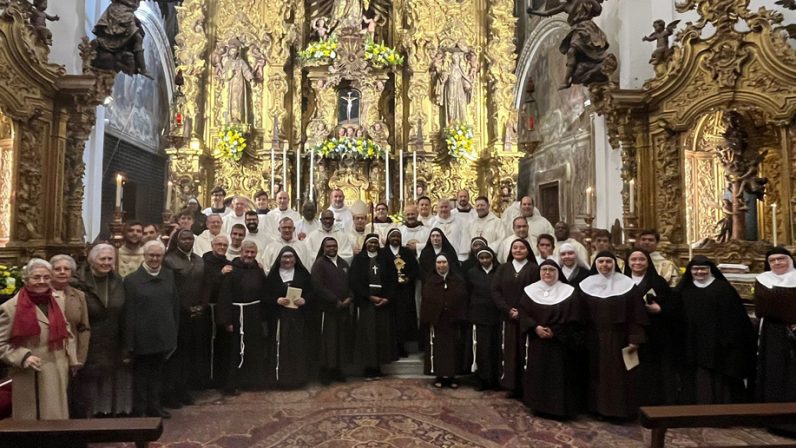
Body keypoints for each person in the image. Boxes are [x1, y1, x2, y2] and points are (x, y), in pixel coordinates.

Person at [0, 259, 74, 420]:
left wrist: (72, 359)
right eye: (36, 277)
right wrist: (23, 356)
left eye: (46, 277)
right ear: (26, 280)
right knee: (31, 424)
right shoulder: (10, 308)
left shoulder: (57, 301)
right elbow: (1, 344)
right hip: (30, 373)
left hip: (57, 369)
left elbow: (68, 333)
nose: (42, 282)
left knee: (57, 421)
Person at [677, 255, 756, 404]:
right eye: (695, 269)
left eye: (703, 269)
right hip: (692, 342)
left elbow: (736, 316)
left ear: (710, 270)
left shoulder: (723, 288)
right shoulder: (684, 290)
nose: (699, 272)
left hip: (720, 342)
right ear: (690, 271)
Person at [579, 251, 647, 419]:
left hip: (619, 339)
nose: (604, 265)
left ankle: (617, 411)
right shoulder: (585, 285)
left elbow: (636, 315)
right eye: (600, 261)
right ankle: (596, 409)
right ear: (595, 264)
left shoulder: (628, 285)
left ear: (615, 264)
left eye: (608, 262)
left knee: (618, 376)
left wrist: (635, 338)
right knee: (596, 374)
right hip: (593, 338)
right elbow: (580, 315)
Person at [72, 243, 132, 417]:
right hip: (88, 338)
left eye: (110, 259)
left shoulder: (118, 280)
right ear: (92, 260)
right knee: (87, 382)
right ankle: (87, 417)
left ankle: (106, 414)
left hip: (112, 336)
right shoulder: (79, 282)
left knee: (109, 378)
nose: (106, 262)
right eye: (102, 259)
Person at [520, 259, 583, 418]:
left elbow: (574, 318)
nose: (547, 273)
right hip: (537, 340)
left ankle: (558, 408)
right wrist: (535, 327)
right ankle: (538, 406)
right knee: (538, 373)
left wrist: (555, 331)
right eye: (544, 270)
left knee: (558, 375)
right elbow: (523, 313)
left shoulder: (569, 291)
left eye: (551, 270)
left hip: (560, 343)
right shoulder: (530, 290)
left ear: (558, 273)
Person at [123, 241, 179, 418]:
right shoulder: (131, 280)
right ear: (144, 256)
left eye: (158, 256)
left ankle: (155, 407)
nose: (155, 259)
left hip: (163, 335)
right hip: (142, 337)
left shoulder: (169, 276)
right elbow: (128, 313)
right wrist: (129, 343)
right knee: (140, 376)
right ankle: (140, 409)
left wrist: (173, 333)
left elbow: (174, 306)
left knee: (157, 375)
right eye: (151, 255)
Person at [624, 249, 682, 405]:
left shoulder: (658, 282)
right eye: (633, 259)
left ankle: (653, 402)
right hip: (628, 332)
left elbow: (672, 305)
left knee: (652, 369)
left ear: (648, 262)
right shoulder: (621, 281)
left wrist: (660, 309)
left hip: (654, 333)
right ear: (628, 262)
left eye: (641, 259)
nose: (637, 263)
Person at [163, 229, 208, 406]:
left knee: (191, 354)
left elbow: (206, 285)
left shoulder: (199, 259)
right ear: (177, 240)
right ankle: (171, 392)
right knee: (176, 355)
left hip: (197, 314)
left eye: (190, 238)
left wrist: (202, 306)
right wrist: (185, 308)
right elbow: (171, 289)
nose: (188, 241)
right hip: (178, 314)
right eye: (184, 239)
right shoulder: (169, 260)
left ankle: (185, 390)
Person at [754, 247, 796, 437]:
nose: (778, 263)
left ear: (790, 260)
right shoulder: (764, 279)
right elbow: (760, 308)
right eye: (773, 260)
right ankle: (775, 420)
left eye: (781, 259)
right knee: (775, 372)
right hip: (773, 333)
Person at [217, 241, 268, 393]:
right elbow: (225, 296)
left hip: (254, 314)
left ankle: (252, 381)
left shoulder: (258, 270)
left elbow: (263, 293)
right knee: (235, 350)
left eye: (253, 252)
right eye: (247, 252)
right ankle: (233, 384)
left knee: (254, 349)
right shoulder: (232, 270)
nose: (249, 255)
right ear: (241, 252)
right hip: (236, 315)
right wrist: (227, 320)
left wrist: (263, 317)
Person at [492, 239, 539, 396]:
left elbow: (536, 291)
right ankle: (510, 385)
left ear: (528, 250)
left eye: (522, 248)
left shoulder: (534, 269)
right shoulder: (503, 268)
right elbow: (495, 290)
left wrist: (521, 311)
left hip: (526, 317)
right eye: (515, 248)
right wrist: (507, 309)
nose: (518, 250)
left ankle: (525, 386)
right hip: (507, 318)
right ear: (511, 251)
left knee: (524, 350)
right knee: (508, 351)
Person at [264, 246, 314, 388]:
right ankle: (280, 379)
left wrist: (305, 300)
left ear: (295, 259)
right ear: (279, 259)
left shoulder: (303, 274)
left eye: (290, 257)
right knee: (280, 347)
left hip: (298, 319)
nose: (287, 260)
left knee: (298, 348)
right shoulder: (273, 276)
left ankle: (298, 379)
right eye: (284, 257)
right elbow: (265, 295)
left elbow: (311, 292)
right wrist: (276, 300)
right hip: (279, 318)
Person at [350, 234, 398, 379]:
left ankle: (377, 367)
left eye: (375, 242)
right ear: (365, 244)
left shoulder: (386, 259)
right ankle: (367, 368)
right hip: (366, 304)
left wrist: (387, 298)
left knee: (380, 336)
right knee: (367, 335)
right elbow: (354, 281)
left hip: (382, 304)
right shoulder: (359, 260)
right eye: (370, 242)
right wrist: (369, 296)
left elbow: (392, 280)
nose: (372, 245)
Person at [420, 253, 468, 388]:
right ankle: (439, 376)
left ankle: (452, 377)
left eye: (444, 263)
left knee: (453, 350)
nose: (441, 266)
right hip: (437, 321)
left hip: (453, 321)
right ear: (435, 265)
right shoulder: (430, 281)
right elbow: (426, 301)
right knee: (438, 349)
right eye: (439, 263)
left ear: (449, 264)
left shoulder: (457, 280)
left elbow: (462, 298)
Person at [50, 255, 90, 415]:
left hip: (72, 357)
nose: (62, 272)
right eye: (57, 269)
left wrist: (80, 357)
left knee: (73, 400)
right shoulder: (41, 295)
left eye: (66, 269)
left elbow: (84, 327)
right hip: (51, 356)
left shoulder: (78, 295)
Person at [311, 237, 354, 384]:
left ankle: (338, 370)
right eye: (328, 246)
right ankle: (325, 372)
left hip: (343, 309)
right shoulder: (319, 264)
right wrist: (334, 300)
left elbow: (350, 283)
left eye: (334, 246)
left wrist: (350, 297)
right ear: (323, 248)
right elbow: (318, 286)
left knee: (340, 341)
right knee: (327, 342)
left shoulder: (343, 263)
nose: (332, 248)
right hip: (327, 310)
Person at [464, 247, 501, 391]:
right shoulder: (471, 273)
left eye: (487, 257)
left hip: (496, 316)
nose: (485, 260)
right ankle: (481, 379)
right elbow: (467, 293)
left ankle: (495, 380)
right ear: (478, 259)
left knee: (495, 348)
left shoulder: (499, 271)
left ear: (492, 258)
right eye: (482, 258)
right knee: (481, 349)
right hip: (478, 316)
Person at [382, 229, 420, 357]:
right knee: (389, 321)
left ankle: (401, 347)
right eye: (393, 235)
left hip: (404, 292)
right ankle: (390, 349)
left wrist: (408, 278)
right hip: (388, 292)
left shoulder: (406, 252)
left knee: (402, 321)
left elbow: (415, 269)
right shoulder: (383, 253)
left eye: (398, 236)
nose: (395, 238)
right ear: (388, 238)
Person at [202, 235, 233, 388]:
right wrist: (220, 274)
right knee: (206, 346)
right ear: (212, 245)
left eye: (225, 245)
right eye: (219, 244)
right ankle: (206, 379)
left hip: (223, 309)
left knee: (222, 347)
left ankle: (220, 379)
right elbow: (205, 285)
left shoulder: (228, 263)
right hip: (208, 309)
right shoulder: (204, 263)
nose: (222, 247)